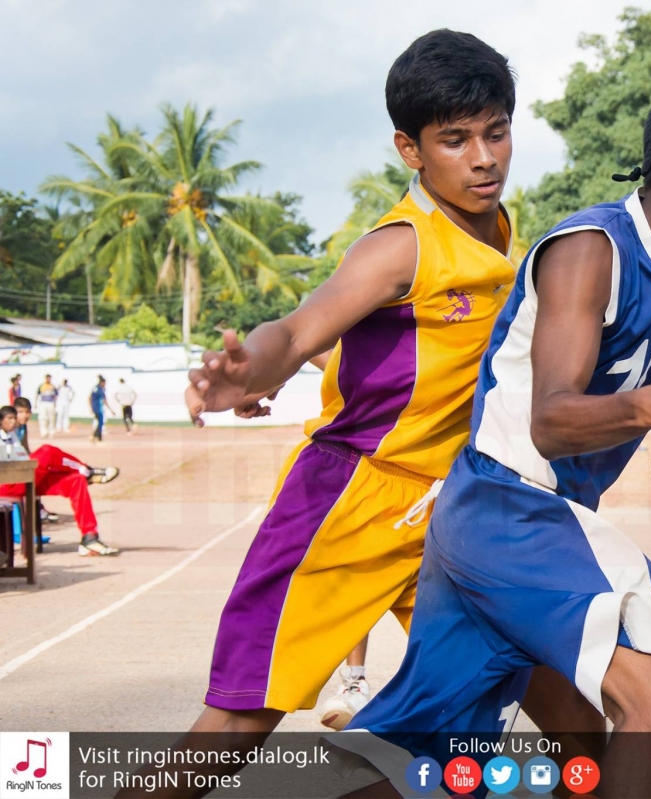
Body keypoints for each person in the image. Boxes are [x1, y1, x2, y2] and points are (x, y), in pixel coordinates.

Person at [331, 73, 651, 798]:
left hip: (501, 520)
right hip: (510, 509)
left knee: (473, 767)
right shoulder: (589, 250)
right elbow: (552, 418)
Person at [175, 29, 525, 761]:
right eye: (455, 140)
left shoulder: (499, 229)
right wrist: (250, 371)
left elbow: (387, 355)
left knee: (546, 686)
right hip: (349, 501)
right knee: (235, 729)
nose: (484, 157)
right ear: (410, 150)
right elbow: (298, 328)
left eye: (495, 132)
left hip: (449, 506)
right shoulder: (400, 246)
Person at [0, 405, 120, 555]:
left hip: (22, 479)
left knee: (76, 481)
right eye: (11, 417)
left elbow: (21, 457)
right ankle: (87, 471)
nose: (15, 420)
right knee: (47, 451)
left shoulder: (14, 434)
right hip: (6, 483)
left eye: (16, 417)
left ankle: (89, 537)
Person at [89, 376, 116, 444]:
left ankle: (96, 437)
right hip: (98, 408)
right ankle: (96, 437)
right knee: (100, 423)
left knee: (99, 423)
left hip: (96, 407)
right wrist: (111, 410)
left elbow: (90, 398)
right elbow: (104, 400)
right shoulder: (100, 390)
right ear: (102, 383)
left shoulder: (95, 388)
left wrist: (91, 407)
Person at [35, 374, 57, 439]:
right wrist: (35, 403)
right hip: (43, 403)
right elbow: (37, 394)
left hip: (50, 403)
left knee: (51, 418)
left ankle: (51, 432)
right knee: (42, 417)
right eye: (47, 378)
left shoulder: (52, 386)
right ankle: (44, 432)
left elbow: (56, 395)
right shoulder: (42, 386)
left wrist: (55, 403)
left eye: (49, 378)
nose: (48, 380)